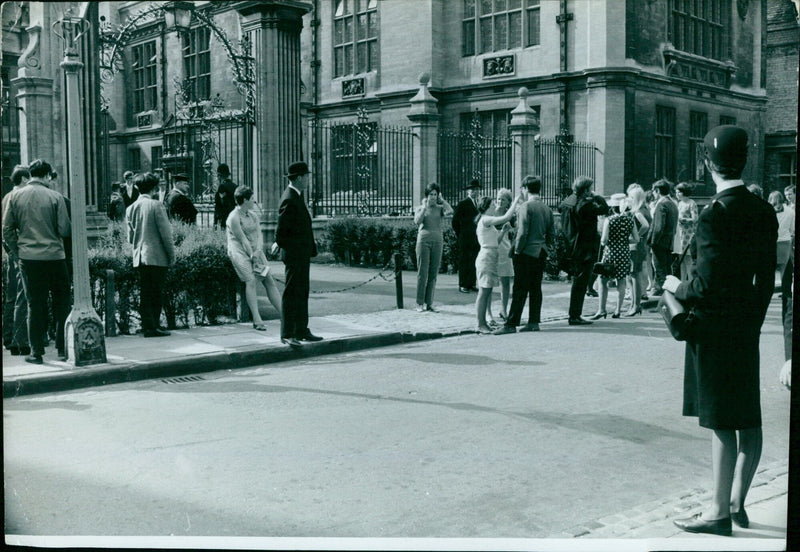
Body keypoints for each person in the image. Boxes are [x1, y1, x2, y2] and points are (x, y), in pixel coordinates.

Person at [664, 125, 778, 536]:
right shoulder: (764, 211)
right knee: (748, 420)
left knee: (720, 423)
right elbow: (767, 281)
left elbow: (704, 285)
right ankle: (737, 504)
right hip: (745, 329)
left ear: (708, 163)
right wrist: (752, 320)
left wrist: (675, 286)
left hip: (713, 332)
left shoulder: (715, 214)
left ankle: (716, 512)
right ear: (744, 160)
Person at [2, 159, 71, 364]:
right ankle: (61, 348)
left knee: (34, 304)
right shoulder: (56, 196)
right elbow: (64, 230)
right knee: (62, 304)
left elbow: (6, 230)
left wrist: (18, 250)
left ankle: (36, 352)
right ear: (47, 175)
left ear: (30, 174)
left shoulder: (15, 196)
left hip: (29, 258)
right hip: (55, 257)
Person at [495, 176, 553, 334]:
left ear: (526, 188)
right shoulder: (546, 208)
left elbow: (522, 233)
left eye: (522, 188)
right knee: (535, 288)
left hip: (526, 252)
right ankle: (534, 321)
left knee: (520, 288)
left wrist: (517, 250)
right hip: (540, 251)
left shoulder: (525, 207)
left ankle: (511, 323)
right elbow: (551, 233)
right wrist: (545, 247)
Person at [273, 161, 323, 348]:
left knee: (302, 292)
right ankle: (287, 333)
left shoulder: (297, 196)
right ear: (300, 177)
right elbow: (280, 234)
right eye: (307, 176)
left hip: (301, 255)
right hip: (295, 256)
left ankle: (301, 329)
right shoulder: (289, 198)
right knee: (292, 293)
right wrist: (295, 249)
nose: (309, 179)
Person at [226, 186, 282, 331]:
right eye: (251, 198)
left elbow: (259, 235)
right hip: (239, 251)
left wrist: (257, 251)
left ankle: (285, 314)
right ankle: (257, 319)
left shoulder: (253, 215)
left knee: (268, 279)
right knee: (250, 280)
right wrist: (252, 255)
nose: (254, 201)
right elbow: (242, 239)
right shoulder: (233, 217)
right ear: (244, 200)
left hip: (255, 251)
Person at [126, 172, 175, 338]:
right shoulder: (156, 205)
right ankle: (153, 326)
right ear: (154, 188)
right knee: (156, 292)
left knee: (145, 292)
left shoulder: (130, 208)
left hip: (139, 256)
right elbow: (166, 235)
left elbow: (130, 237)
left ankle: (148, 325)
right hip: (156, 255)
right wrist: (172, 255)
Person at [559, 175, 609, 325]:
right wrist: (598, 197)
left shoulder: (568, 201)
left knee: (578, 280)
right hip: (584, 247)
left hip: (571, 244)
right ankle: (574, 315)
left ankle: (575, 314)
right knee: (580, 282)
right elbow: (604, 209)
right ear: (586, 189)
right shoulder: (585, 205)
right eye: (590, 189)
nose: (591, 191)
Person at [473, 194, 521, 333]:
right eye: (492, 204)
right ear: (486, 208)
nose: (495, 206)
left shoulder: (486, 221)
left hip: (491, 255)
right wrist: (516, 201)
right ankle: (480, 324)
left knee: (487, 291)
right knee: (484, 291)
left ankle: (483, 323)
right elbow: (506, 217)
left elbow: (495, 242)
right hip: (486, 257)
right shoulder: (486, 219)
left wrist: (504, 231)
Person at [589, 193, 639, 320]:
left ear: (613, 207)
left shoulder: (609, 220)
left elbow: (604, 240)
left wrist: (608, 241)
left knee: (603, 279)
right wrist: (623, 242)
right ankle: (617, 311)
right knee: (621, 280)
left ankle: (602, 309)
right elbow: (636, 239)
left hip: (610, 252)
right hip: (624, 253)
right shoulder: (630, 220)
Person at [2, 165, 31, 356]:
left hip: (10, 250)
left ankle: (9, 338)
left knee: (12, 295)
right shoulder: (17, 198)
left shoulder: (6, 197)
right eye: (28, 178)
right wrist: (17, 250)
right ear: (22, 179)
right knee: (21, 296)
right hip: (18, 251)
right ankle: (18, 340)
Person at [413, 182, 453, 313]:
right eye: (431, 194)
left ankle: (428, 303)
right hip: (423, 241)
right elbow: (417, 221)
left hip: (438, 241)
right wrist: (424, 208)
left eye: (435, 194)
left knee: (433, 273)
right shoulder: (420, 208)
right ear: (427, 195)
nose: (433, 197)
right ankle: (419, 303)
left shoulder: (439, 207)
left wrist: (443, 200)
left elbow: (451, 211)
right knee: (422, 273)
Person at [623, 183, 651, 316]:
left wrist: (637, 235)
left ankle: (636, 305)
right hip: (640, 246)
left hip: (635, 246)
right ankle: (635, 304)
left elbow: (645, 225)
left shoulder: (638, 212)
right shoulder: (645, 209)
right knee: (634, 275)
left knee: (634, 276)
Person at [647, 178, 678, 296]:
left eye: (654, 191)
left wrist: (653, 242)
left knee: (660, 270)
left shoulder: (662, 204)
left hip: (660, 243)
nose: (653, 193)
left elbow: (658, 227)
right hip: (669, 242)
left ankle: (665, 296)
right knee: (667, 270)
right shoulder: (673, 204)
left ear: (658, 190)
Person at [452, 179, 481, 293]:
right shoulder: (462, 203)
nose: (475, 192)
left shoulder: (479, 204)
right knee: (464, 260)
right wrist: (460, 233)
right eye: (472, 189)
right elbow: (455, 221)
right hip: (465, 237)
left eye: (477, 189)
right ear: (468, 191)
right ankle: (463, 284)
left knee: (474, 260)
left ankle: (471, 283)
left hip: (476, 237)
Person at [491, 188, 516, 323]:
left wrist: (511, 230)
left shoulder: (511, 216)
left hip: (505, 250)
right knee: (489, 281)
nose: (500, 201)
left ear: (508, 202)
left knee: (505, 282)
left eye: (503, 199)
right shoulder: (492, 213)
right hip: (493, 249)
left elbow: (515, 232)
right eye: (499, 198)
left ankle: (503, 309)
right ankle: (488, 312)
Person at [768, 191, 794, 300]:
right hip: (785, 243)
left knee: (769, 272)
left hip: (772, 243)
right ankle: (786, 294)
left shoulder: (768, 211)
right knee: (785, 272)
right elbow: (792, 229)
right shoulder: (790, 211)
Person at [675, 182, 699, 281]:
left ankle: (690, 282)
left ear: (684, 192)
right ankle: (683, 282)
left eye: (678, 192)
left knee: (688, 259)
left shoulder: (691, 203)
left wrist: (682, 219)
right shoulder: (679, 203)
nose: (676, 194)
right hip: (680, 234)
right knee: (681, 259)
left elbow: (695, 219)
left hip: (688, 234)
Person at [214, 163, 237, 229]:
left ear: (219, 176)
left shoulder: (222, 187)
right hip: (235, 217)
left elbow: (223, 203)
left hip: (225, 219)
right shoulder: (235, 186)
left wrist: (216, 222)